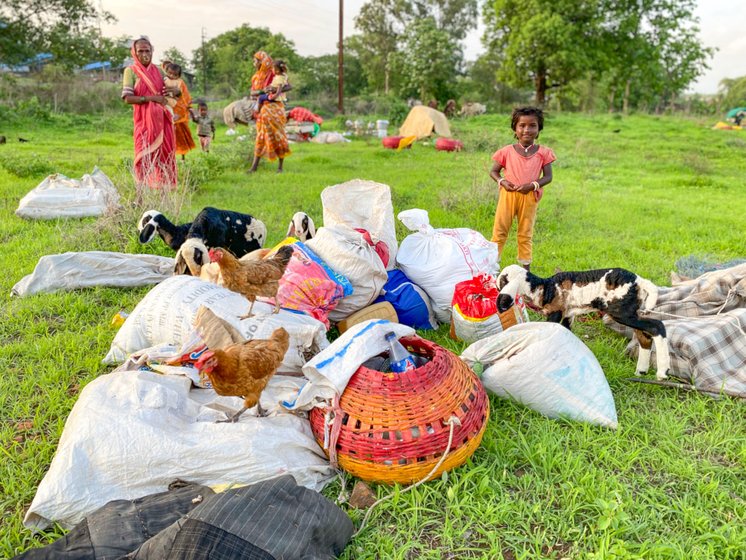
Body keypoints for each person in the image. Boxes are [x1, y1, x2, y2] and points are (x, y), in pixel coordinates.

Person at [489, 106, 556, 272]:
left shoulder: (544, 153)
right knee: (499, 231)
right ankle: (490, 267)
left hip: (530, 197)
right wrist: (502, 181)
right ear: (515, 128)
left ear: (539, 128)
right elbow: (494, 171)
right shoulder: (506, 151)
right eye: (522, 125)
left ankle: (526, 271)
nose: (527, 130)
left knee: (525, 233)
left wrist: (532, 185)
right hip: (508, 195)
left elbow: (548, 177)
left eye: (532, 125)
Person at [121, 37, 178, 191]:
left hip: (162, 121)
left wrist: (175, 91)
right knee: (143, 157)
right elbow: (127, 98)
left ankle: (163, 195)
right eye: (141, 51)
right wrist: (151, 98)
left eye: (148, 50)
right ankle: (140, 195)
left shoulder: (159, 71)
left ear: (152, 51)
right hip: (143, 123)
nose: (145, 54)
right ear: (134, 53)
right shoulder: (131, 71)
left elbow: (170, 92)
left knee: (164, 156)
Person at [248, 51, 291, 173]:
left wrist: (275, 89)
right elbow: (252, 93)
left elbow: (289, 86)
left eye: (255, 61)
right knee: (260, 136)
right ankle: (254, 167)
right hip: (263, 109)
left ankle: (280, 167)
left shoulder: (274, 73)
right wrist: (263, 92)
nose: (254, 64)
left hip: (275, 107)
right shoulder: (255, 77)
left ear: (262, 62)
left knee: (279, 135)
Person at [165, 63, 196, 161]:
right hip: (167, 108)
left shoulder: (180, 82)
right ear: (166, 72)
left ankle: (183, 157)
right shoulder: (164, 81)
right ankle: (168, 156)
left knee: (181, 135)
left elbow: (185, 96)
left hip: (179, 111)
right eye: (170, 73)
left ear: (179, 75)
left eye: (175, 75)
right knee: (168, 136)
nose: (172, 76)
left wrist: (188, 107)